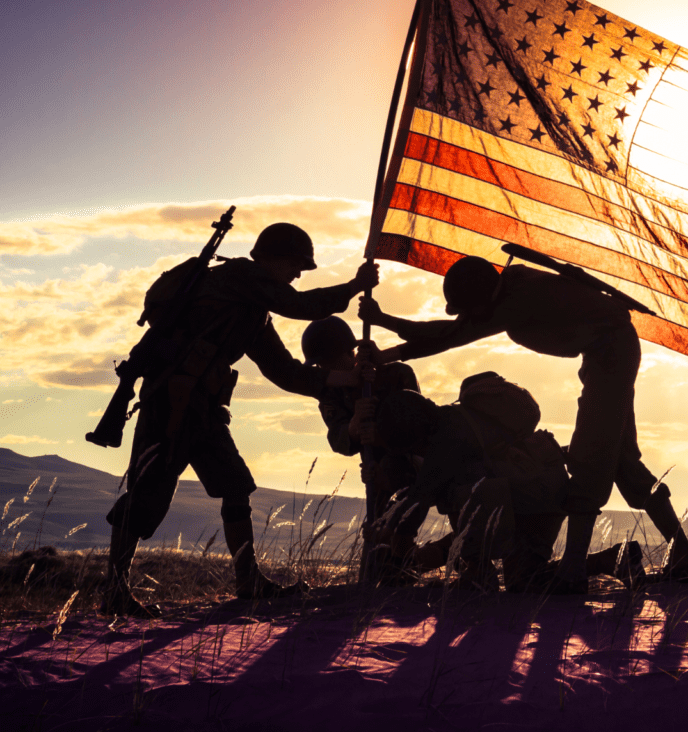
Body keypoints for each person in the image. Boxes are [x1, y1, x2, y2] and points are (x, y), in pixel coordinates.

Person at [359, 256, 688, 593]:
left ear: (480, 296)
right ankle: (685, 558)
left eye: (466, 307)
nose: (466, 315)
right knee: (624, 463)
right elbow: (456, 330)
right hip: (605, 358)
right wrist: (387, 352)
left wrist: (385, 323)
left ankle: (572, 571)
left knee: (591, 460)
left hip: (610, 358)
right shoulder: (509, 293)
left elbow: (452, 334)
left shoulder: (517, 300)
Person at [103, 222, 378, 617]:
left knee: (235, 485)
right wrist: (354, 286)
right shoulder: (240, 277)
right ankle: (114, 590)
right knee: (148, 493)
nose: (297, 274)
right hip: (171, 402)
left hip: (204, 410)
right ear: (269, 257)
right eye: (295, 264)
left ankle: (248, 580)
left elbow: (287, 373)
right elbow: (302, 306)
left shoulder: (252, 311)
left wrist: (346, 379)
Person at [368, 379, 644, 593]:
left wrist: (399, 558)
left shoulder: (446, 442)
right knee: (527, 581)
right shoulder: (455, 420)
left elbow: (418, 505)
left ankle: (477, 573)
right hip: (538, 493)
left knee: (463, 494)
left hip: (534, 500)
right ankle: (613, 560)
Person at [301, 315, 426, 582]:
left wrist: (379, 425)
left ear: (351, 353)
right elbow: (339, 439)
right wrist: (354, 426)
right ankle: (384, 574)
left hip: (413, 463)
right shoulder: (331, 392)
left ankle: (405, 563)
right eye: (322, 364)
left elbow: (418, 427)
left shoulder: (396, 374)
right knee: (375, 528)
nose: (325, 368)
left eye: (330, 362)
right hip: (375, 469)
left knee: (401, 503)